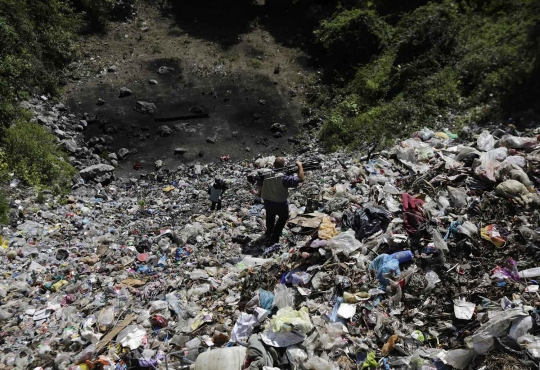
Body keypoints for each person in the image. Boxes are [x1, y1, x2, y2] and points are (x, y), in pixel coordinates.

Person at [258, 157, 304, 245]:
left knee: (270, 217)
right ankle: (275, 237)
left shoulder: (266, 173)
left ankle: (268, 232)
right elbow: (301, 179)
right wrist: (300, 166)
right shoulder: (284, 178)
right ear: (284, 165)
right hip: (280, 203)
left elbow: (259, 182)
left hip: (267, 200)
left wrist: (259, 192)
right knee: (283, 217)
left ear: (274, 164)